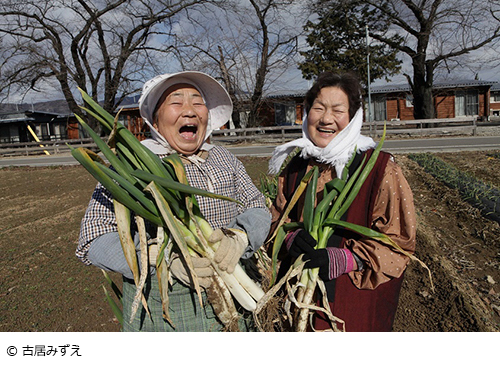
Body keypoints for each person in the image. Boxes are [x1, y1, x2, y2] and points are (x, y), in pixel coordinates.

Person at [75, 71, 271, 331]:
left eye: (198, 102)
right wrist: (161, 257)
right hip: (165, 311)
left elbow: (257, 205)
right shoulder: (128, 167)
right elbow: (94, 238)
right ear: (155, 121)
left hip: (238, 300)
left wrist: (240, 236)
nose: (189, 111)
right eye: (176, 102)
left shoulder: (223, 157)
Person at [267, 71, 416, 332]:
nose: (326, 119)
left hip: (352, 306)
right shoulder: (297, 165)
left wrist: (347, 259)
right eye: (318, 108)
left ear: (354, 118)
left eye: (338, 110)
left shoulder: (378, 169)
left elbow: (400, 243)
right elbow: (277, 219)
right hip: (299, 300)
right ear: (306, 113)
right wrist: (289, 238)